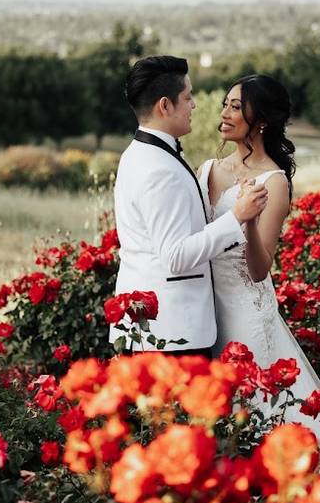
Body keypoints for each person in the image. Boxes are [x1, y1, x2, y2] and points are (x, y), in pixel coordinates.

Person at [197, 74, 320, 443]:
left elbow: (259, 269)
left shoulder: (274, 182)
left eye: (236, 107)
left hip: (245, 312)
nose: (224, 113)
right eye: (225, 104)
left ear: (263, 119)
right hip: (204, 305)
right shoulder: (207, 170)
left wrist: (249, 222)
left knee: (253, 413)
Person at [111, 56, 269, 357]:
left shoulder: (138, 154)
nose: (194, 105)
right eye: (188, 97)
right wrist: (237, 216)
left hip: (154, 330)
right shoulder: (159, 169)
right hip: (171, 335)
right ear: (165, 106)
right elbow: (175, 256)